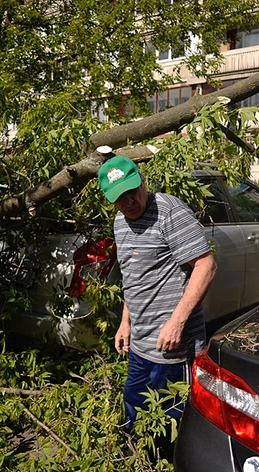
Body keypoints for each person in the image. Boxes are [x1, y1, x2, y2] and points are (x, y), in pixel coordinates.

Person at [97, 156, 217, 429]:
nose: (129, 202)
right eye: (120, 198)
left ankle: (169, 470)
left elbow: (206, 266)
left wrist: (176, 323)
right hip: (140, 343)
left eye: (132, 191)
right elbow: (132, 276)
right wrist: (125, 322)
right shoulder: (120, 221)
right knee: (134, 410)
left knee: (171, 422)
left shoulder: (169, 212)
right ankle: (140, 468)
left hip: (172, 347)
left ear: (142, 178)